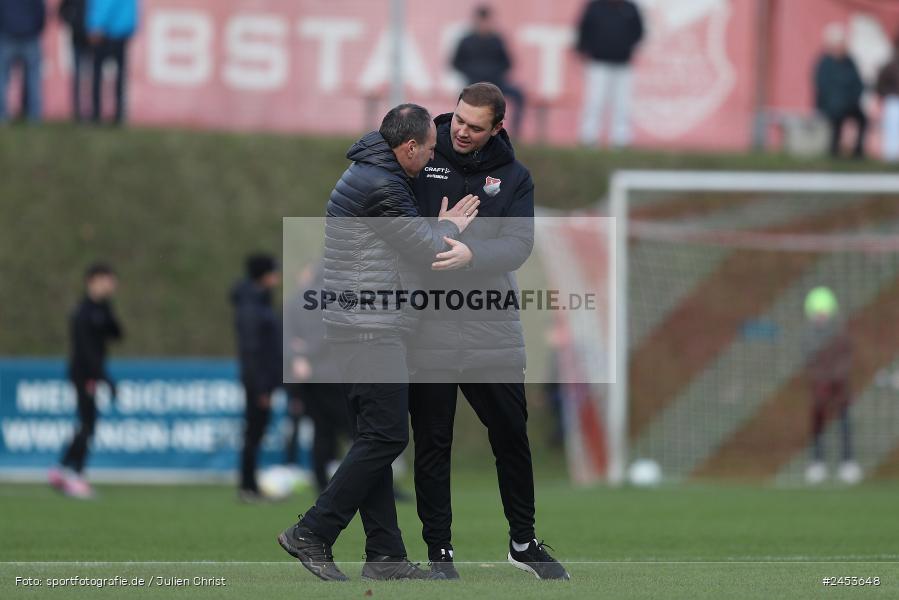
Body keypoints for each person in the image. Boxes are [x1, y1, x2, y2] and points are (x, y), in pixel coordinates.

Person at [276, 104, 479, 582]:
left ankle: (385, 556)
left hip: (357, 325)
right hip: (371, 325)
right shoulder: (383, 185)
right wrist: (450, 227)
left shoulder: (368, 173)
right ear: (408, 147)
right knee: (388, 436)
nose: (433, 156)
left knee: (374, 437)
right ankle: (312, 532)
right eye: (430, 149)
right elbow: (426, 249)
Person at [408, 82, 570, 580]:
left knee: (511, 438)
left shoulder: (515, 177)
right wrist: (437, 234)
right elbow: (392, 227)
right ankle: (440, 555)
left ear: (498, 127)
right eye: (458, 119)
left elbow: (519, 245)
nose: (460, 130)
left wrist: (472, 253)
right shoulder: (421, 155)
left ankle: (523, 543)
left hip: (491, 329)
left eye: (475, 126)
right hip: (429, 329)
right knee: (432, 443)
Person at [48, 263, 123, 499]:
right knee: (88, 424)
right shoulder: (82, 312)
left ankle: (60, 470)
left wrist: (108, 312)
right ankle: (75, 475)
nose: (112, 285)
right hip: (84, 373)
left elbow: (117, 334)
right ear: (93, 280)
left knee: (85, 424)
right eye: (107, 280)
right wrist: (102, 378)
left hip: (92, 372)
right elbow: (85, 350)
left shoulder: (102, 309)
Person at [230, 254, 282, 502]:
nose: (278, 276)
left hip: (263, 381)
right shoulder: (251, 306)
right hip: (257, 382)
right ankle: (247, 486)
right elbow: (252, 351)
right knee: (253, 432)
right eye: (273, 271)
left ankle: (250, 485)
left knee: (257, 432)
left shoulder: (260, 301)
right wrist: (261, 387)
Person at [801, 287, 860, 485]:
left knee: (844, 425)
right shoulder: (808, 337)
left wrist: (834, 379)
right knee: (817, 425)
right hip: (820, 390)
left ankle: (848, 463)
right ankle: (817, 463)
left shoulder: (840, 334)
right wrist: (821, 381)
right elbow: (810, 362)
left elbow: (845, 360)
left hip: (839, 389)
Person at [575, 0, 644, 148]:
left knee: (622, 104)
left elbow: (639, 32)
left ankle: (621, 139)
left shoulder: (630, 8)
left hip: (623, 64)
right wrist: (583, 49)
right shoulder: (594, 6)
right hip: (598, 63)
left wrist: (626, 47)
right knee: (595, 101)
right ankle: (589, 138)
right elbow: (583, 30)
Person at [451, 5, 525, 134]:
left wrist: (494, 73)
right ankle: (460, 131)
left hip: (496, 84)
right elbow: (455, 63)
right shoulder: (466, 41)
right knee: (464, 101)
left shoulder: (497, 40)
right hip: (473, 85)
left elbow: (507, 63)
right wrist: (472, 73)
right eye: (481, 21)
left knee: (519, 95)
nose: (484, 24)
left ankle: (515, 134)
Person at [814, 24, 867, 159]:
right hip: (831, 105)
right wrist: (837, 101)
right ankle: (834, 151)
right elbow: (823, 87)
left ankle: (857, 152)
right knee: (836, 118)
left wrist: (853, 99)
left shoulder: (850, 62)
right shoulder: (825, 63)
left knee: (863, 119)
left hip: (849, 103)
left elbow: (858, 83)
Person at [86, 0, 139, 125]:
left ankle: (96, 114)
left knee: (97, 74)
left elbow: (105, 4)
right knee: (120, 75)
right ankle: (119, 113)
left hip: (106, 31)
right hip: (122, 30)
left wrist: (96, 25)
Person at [0, 0, 45, 124]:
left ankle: (2, 116)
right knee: (33, 80)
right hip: (30, 36)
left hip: (7, 36)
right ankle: (34, 117)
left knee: (3, 79)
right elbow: (40, 12)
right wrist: (35, 29)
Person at [59, 0, 91, 122]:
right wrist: (73, 22)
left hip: (95, 38)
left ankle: (91, 111)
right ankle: (78, 111)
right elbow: (62, 10)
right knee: (78, 75)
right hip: (78, 37)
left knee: (91, 77)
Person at [876, 34, 899, 163]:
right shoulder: (890, 65)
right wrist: (889, 94)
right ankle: (891, 158)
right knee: (892, 129)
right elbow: (880, 85)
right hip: (894, 100)